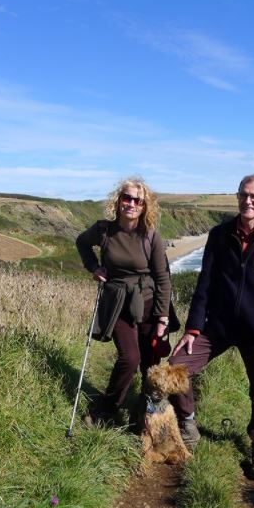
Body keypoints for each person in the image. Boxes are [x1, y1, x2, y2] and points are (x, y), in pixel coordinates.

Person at [170, 174, 254, 480]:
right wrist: (192, 329)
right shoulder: (219, 235)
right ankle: (188, 422)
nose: (249, 201)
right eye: (244, 195)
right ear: (238, 197)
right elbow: (205, 284)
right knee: (176, 368)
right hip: (218, 327)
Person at [76, 177, 171, 425]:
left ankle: (146, 412)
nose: (131, 204)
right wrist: (94, 267)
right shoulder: (104, 230)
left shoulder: (151, 237)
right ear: (118, 201)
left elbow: (163, 279)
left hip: (148, 302)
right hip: (117, 301)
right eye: (126, 198)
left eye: (137, 200)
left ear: (144, 206)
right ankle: (106, 410)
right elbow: (82, 243)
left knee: (150, 363)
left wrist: (162, 317)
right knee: (130, 358)